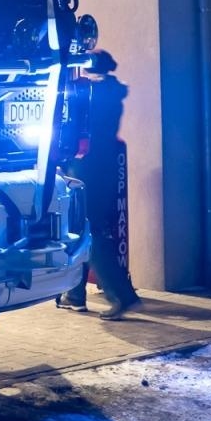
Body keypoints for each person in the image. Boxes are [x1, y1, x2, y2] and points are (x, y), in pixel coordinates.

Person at [57, 51, 142, 320]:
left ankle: (121, 295)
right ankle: (75, 293)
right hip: (105, 165)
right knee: (83, 227)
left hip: (84, 165)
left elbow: (69, 126)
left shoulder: (85, 91)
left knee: (85, 229)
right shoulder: (113, 91)